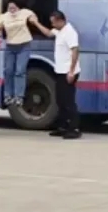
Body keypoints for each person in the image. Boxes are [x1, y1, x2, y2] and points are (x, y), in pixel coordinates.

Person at [0, 0, 42, 106]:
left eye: (14, 7)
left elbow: (33, 18)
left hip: (24, 45)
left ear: (18, 6)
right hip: (10, 46)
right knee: (8, 71)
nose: (12, 10)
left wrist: (33, 20)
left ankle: (19, 96)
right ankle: (8, 96)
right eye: (9, 8)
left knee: (20, 71)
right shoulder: (4, 16)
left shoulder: (25, 12)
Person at [33, 10, 81, 139]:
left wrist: (71, 71)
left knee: (68, 101)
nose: (52, 25)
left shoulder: (70, 32)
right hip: (60, 71)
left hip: (68, 72)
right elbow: (48, 33)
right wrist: (36, 23)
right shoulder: (59, 31)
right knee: (60, 100)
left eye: (54, 22)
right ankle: (63, 127)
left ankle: (74, 128)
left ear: (61, 21)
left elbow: (75, 51)